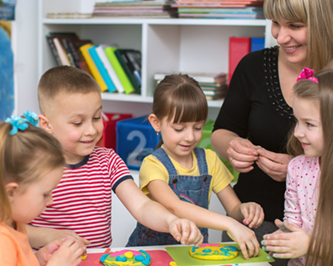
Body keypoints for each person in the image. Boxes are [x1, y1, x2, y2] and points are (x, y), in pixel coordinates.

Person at [210, 0, 333, 264]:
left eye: (295, 25)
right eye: (275, 22)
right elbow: (222, 131)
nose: (280, 36)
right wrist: (233, 147)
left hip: (332, 237)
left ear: (327, 22)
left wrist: (306, 168)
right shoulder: (253, 66)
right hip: (253, 220)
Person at [27, 66, 203, 250]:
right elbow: (8, 227)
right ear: (47, 124)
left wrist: (171, 221)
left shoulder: (108, 161)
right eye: (78, 123)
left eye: (96, 118)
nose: (91, 130)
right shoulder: (31, 166)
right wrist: (47, 236)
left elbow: (142, 206)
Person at [126, 74, 264, 260]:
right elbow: (175, 208)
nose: (190, 137)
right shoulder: (153, 164)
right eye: (179, 129)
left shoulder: (210, 160)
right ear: (156, 123)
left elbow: (234, 209)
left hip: (192, 255)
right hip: (152, 255)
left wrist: (245, 211)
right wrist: (230, 224)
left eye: (197, 127)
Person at [261, 67, 333, 266]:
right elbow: (293, 220)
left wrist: (311, 245)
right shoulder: (297, 168)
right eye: (297, 121)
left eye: (309, 124)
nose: (298, 132)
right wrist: (284, 236)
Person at [0, 111, 85, 266]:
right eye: (45, 194)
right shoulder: (2, 243)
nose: (51, 201)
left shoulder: (14, 223)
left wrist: (38, 259)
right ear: (10, 192)